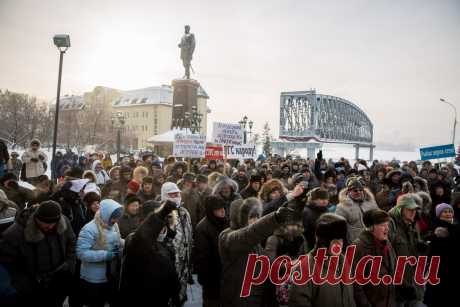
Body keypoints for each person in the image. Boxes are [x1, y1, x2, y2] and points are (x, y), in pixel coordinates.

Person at [219, 197, 301, 307]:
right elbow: (250, 233)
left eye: (258, 216)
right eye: (252, 217)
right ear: (239, 218)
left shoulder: (255, 243)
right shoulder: (228, 237)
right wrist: (275, 218)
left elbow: (266, 265)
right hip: (238, 299)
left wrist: (291, 265)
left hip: (254, 297)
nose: (256, 220)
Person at [0, 201, 76, 306]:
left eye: (53, 223)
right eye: (45, 223)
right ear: (36, 218)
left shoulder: (64, 221)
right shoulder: (15, 233)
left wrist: (69, 264)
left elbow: (71, 242)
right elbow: (7, 263)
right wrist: (22, 284)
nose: (49, 226)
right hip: (31, 288)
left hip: (58, 281)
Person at [120, 200, 181, 306]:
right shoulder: (136, 241)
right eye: (160, 218)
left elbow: (170, 269)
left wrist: (175, 293)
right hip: (143, 298)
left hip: (162, 297)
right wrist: (162, 212)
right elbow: (143, 237)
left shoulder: (164, 241)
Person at [289, 213, 356, 307]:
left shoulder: (343, 261)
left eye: (341, 239)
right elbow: (298, 301)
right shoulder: (306, 267)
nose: (339, 244)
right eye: (334, 240)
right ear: (323, 241)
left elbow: (350, 298)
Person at [76, 199, 124, 307]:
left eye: (117, 218)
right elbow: (81, 253)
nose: (115, 220)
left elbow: (117, 240)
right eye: (113, 218)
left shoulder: (113, 225)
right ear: (106, 214)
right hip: (94, 278)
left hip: (111, 275)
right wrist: (105, 255)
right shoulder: (89, 229)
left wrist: (127, 243)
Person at [388, 194, 428, 307]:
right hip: (397, 285)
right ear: (400, 209)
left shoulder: (411, 225)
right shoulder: (390, 225)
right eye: (409, 209)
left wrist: (421, 248)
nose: (413, 212)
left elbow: (413, 254)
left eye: (414, 209)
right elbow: (385, 255)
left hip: (412, 280)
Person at [353, 209, 397, 307]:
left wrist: (403, 287)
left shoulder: (387, 243)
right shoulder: (358, 248)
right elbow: (356, 285)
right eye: (382, 225)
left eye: (387, 225)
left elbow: (394, 271)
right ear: (371, 228)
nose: (387, 229)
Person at [193, 195, 229, 307]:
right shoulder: (202, 228)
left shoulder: (226, 222)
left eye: (223, 207)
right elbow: (202, 257)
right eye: (218, 208)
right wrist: (206, 279)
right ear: (211, 210)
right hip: (211, 278)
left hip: (226, 275)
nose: (223, 211)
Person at [161, 182, 193, 305]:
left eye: (177, 194)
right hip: (169, 262)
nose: (176, 197)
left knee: (180, 295)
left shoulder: (184, 212)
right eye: (172, 195)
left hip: (184, 262)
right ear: (165, 195)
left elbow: (189, 237)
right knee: (168, 296)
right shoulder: (161, 214)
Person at [335, 176, 378, 242]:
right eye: (355, 190)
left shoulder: (371, 202)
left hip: (373, 239)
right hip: (355, 242)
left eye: (361, 190)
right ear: (348, 191)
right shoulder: (342, 207)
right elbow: (339, 228)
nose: (358, 192)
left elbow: (379, 217)